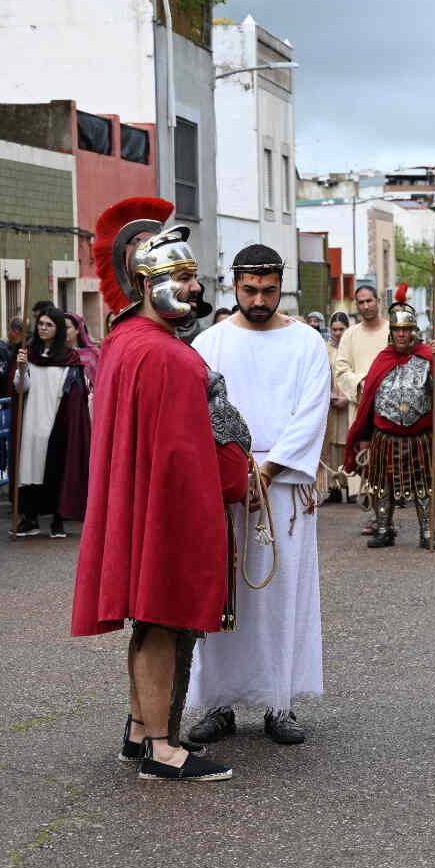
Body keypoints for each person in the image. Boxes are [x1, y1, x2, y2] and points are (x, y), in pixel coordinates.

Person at [73, 194, 248, 781]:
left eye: (195, 277)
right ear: (147, 284)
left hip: (156, 507)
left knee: (156, 620)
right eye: (181, 278)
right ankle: (160, 746)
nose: (195, 289)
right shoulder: (161, 355)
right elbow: (180, 454)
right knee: (163, 620)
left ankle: (137, 729)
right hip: (170, 511)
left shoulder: (130, 341)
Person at [185, 242, 331, 748]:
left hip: (284, 488)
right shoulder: (209, 344)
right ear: (234, 285)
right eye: (250, 290)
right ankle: (218, 703)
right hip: (225, 485)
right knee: (225, 595)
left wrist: (266, 473)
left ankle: (279, 702)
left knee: (281, 595)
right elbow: (200, 415)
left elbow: (311, 414)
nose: (260, 299)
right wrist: (235, 473)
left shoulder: (308, 343)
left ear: (280, 286)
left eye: (269, 290)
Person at [344, 289, 435, 550]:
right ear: (392, 332)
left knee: (424, 486)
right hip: (384, 436)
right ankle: (383, 528)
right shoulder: (383, 360)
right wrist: (365, 438)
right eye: (398, 329)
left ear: (413, 331)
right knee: (381, 485)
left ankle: (427, 531)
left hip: (419, 438)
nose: (402, 334)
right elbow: (370, 403)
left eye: (407, 329)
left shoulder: (428, 357)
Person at [12, 307, 91, 539]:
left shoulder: (69, 358)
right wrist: (21, 369)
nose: (43, 328)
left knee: (56, 468)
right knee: (30, 467)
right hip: (31, 418)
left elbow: (75, 393)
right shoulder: (29, 354)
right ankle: (30, 517)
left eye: (49, 325)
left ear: (57, 330)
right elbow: (20, 388)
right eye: (41, 324)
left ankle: (58, 519)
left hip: (57, 417)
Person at [334, 284, 392, 533]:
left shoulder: (393, 330)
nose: (366, 306)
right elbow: (341, 369)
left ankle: (385, 518)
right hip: (361, 407)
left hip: (392, 407)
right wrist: (363, 384)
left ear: (378, 301)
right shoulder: (350, 335)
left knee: (389, 460)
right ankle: (378, 517)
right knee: (367, 461)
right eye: (361, 302)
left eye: (370, 301)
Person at [319, 311, 353, 501]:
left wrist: (348, 397)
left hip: (350, 403)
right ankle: (333, 486)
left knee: (348, 442)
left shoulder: (352, 349)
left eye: (342, 329)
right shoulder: (325, 349)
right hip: (330, 404)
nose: (338, 333)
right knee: (331, 445)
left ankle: (351, 485)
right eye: (335, 329)